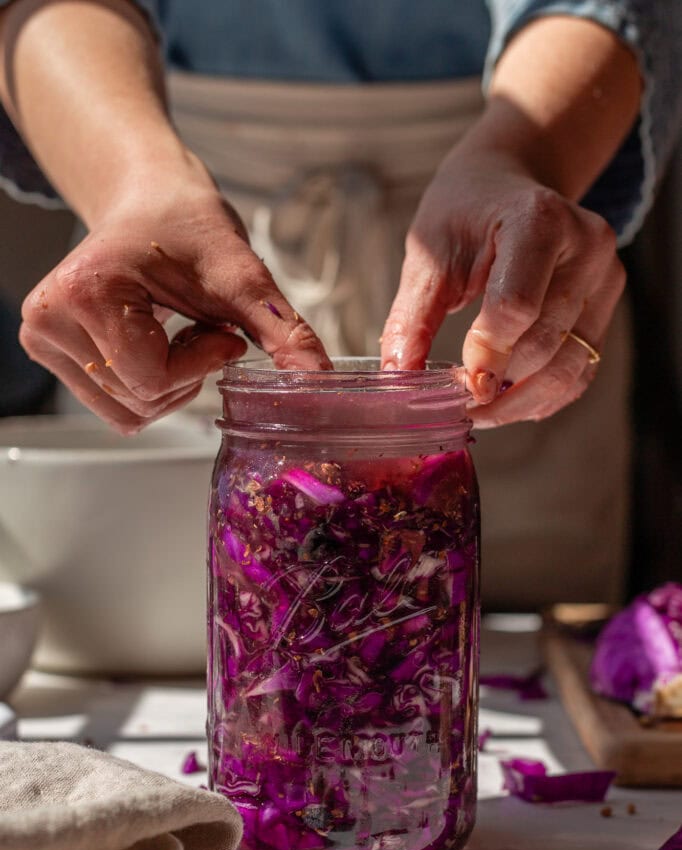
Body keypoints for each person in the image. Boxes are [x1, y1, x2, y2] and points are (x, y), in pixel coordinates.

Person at [0, 0, 680, 606]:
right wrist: (131, 183)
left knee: (512, 626)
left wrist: (527, 158)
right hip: (170, 220)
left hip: (500, 227)